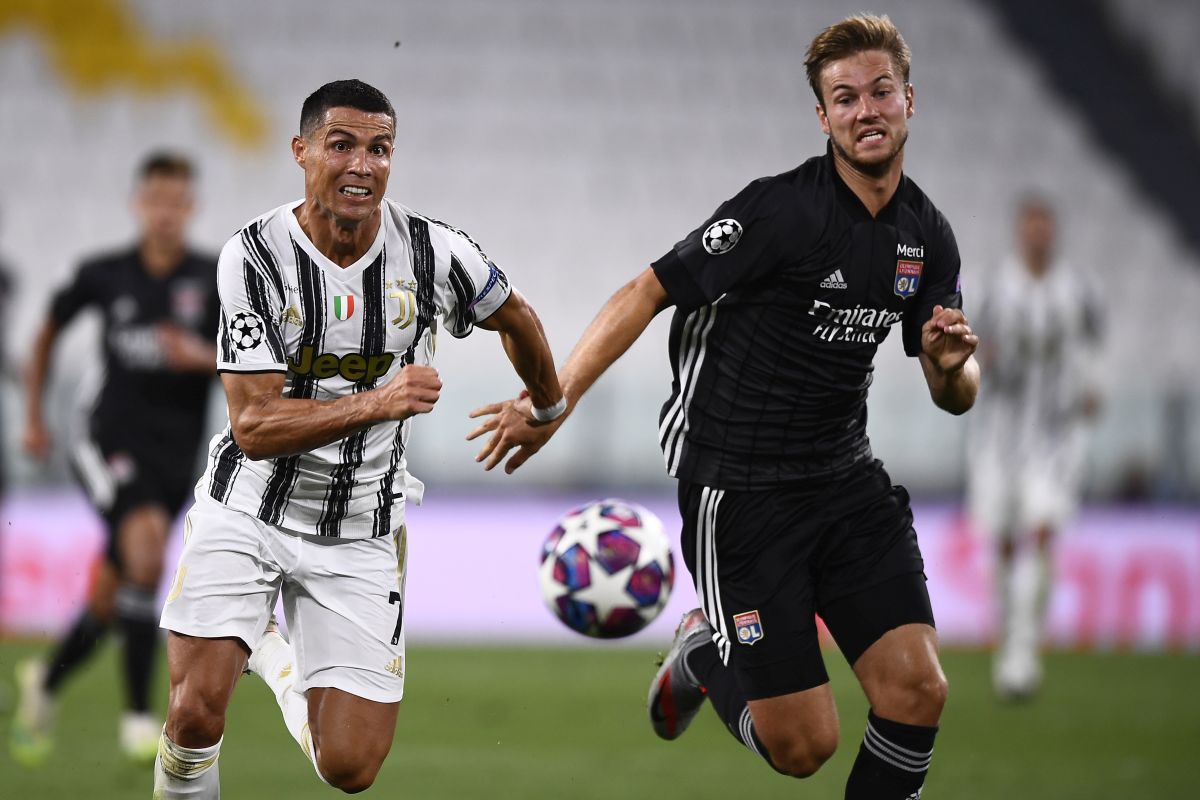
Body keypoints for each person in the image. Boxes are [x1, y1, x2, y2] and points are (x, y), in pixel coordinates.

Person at [470, 15, 979, 799]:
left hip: (846, 480)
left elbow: (955, 396)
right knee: (803, 748)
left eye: (880, 91)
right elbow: (645, 291)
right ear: (823, 117)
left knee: (919, 692)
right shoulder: (778, 213)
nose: (866, 110)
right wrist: (555, 400)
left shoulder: (927, 235)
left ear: (909, 100)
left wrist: (952, 369)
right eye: (845, 98)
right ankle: (707, 653)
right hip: (741, 490)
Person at [152, 78, 563, 798]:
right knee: (193, 716)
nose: (362, 166)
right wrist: (381, 400)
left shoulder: (434, 252)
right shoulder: (252, 256)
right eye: (341, 145)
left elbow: (516, 315)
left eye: (380, 149)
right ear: (302, 151)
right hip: (248, 508)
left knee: (349, 767)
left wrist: (547, 405)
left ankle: (271, 653)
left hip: (362, 525)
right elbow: (254, 426)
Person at [11, 153, 219, 766]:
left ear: (190, 207)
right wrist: (32, 416)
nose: (165, 212)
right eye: (156, 200)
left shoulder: (214, 279)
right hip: (104, 441)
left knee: (115, 588)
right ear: (138, 204)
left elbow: (250, 360)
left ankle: (45, 681)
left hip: (175, 457)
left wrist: (200, 357)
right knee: (147, 554)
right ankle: (138, 717)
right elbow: (46, 333)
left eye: (176, 201)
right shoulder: (106, 274)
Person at [966, 195, 1102, 700]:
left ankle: (1023, 653)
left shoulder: (1079, 289)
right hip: (998, 438)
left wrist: (1092, 386)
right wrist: (984, 356)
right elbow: (968, 347)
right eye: (1031, 226)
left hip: (1054, 437)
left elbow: (1094, 346)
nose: (1038, 235)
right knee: (1003, 541)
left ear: (1053, 232)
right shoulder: (994, 287)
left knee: (1042, 531)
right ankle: (1009, 639)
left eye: (1045, 226)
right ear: (1020, 232)